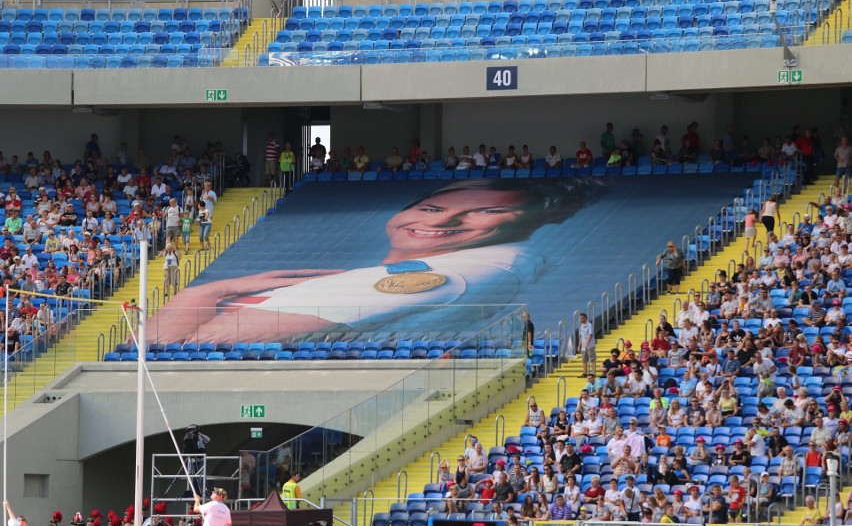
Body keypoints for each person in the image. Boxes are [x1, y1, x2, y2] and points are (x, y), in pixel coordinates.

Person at [146, 179, 600, 343]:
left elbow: (174, 344)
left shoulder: (452, 273)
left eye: (488, 210)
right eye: (431, 207)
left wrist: (206, 292)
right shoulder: (373, 274)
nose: (446, 220)